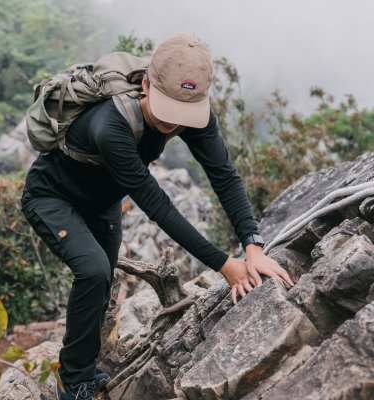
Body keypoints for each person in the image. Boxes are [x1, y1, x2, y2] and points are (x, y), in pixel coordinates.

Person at [20, 33, 295, 400]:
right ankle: (73, 383)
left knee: (103, 277)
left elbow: (223, 174)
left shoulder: (193, 114)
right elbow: (158, 205)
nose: (174, 123)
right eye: (167, 109)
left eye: (184, 113)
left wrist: (253, 244)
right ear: (146, 84)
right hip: (51, 197)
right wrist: (223, 264)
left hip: (102, 202)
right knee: (94, 271)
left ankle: (85, 369)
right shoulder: (111, 125)